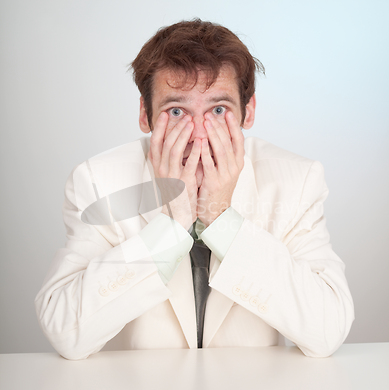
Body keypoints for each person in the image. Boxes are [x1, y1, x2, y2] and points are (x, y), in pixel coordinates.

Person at [35, 19, 354, 360]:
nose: (199, 136)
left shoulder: (296, 181)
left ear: (249, 112)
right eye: (177, 111)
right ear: (146, 115)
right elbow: (65, 330)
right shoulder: (98, 182)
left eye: (218, 110)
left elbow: (327, 330)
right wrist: (171, 229)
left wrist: (220, 218)